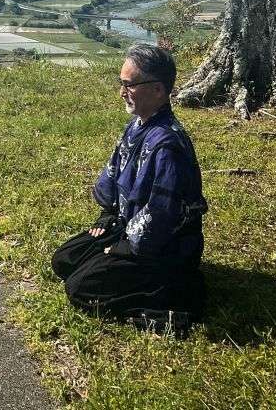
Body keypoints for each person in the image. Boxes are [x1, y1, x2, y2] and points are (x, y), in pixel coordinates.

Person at [51, 44, 208, 326]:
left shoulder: (168, 145)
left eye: (129, 85)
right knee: (65, 259)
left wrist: (124, 247)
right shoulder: (137, 125)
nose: (122, 92)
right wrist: (109, 215)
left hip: (162, 249)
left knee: (79, 288)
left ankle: (174, 304)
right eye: (121, 83)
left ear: (158, 90)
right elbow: (114, 174)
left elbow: (163, 213)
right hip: (129, 226)